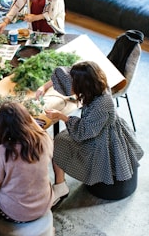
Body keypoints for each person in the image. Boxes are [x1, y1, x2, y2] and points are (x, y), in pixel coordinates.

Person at [36, 61, 144, 206]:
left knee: (59, 143)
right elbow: (66, 73)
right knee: (61, 138)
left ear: (84, 85)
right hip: (97, 128)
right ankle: (60, 184)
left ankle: (60, 186)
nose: (71, 85)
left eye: (75, 83)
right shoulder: (96, 80)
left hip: (101, 138)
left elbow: (83, 132)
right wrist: (45, 86)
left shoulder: (102, 104)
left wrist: (62, 116)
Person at [0, 101, 54, 225]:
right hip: (44, 204)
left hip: (16, 213)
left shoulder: (2, 152)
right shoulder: (44, 139)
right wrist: (23, 115)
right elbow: (34, 127)